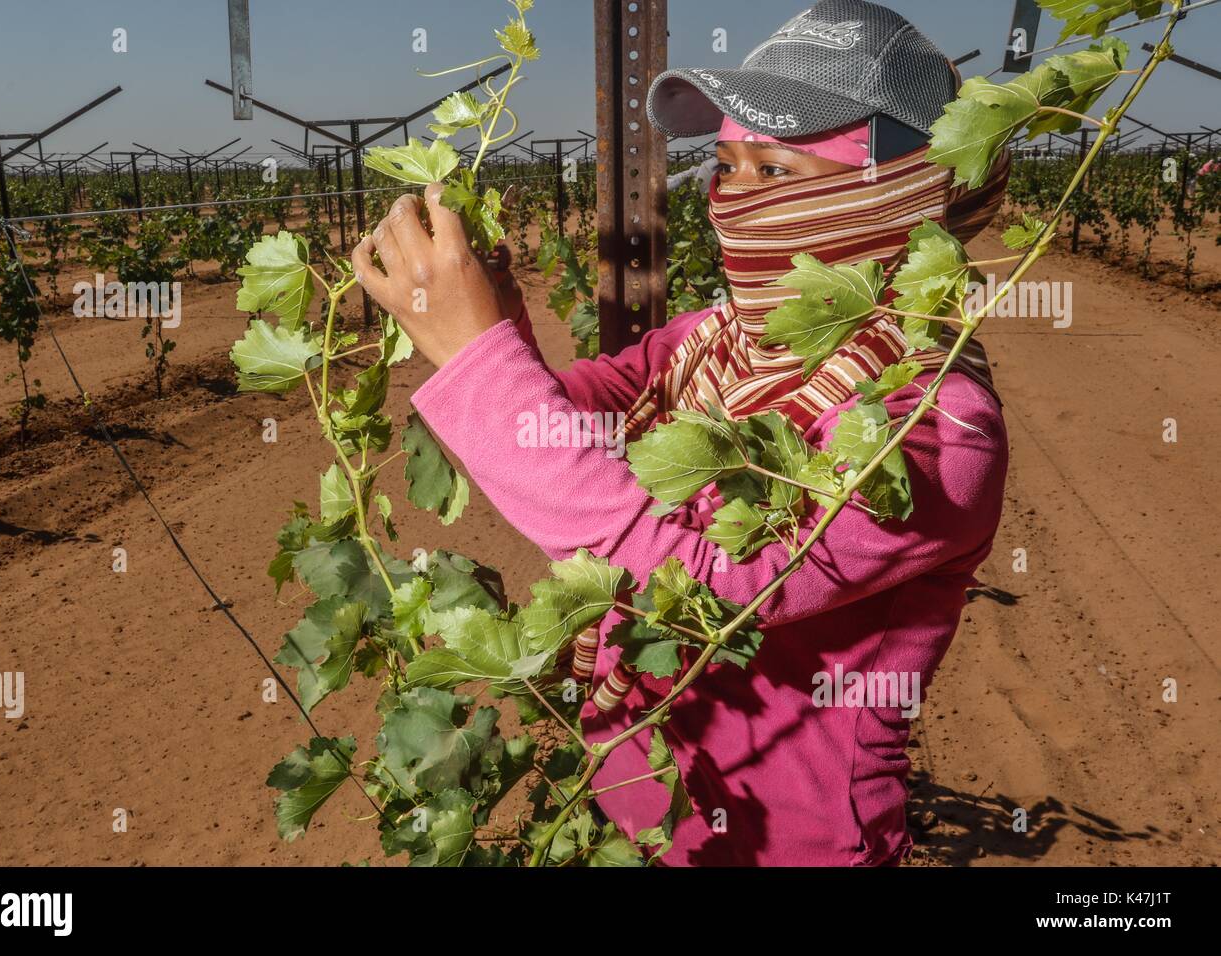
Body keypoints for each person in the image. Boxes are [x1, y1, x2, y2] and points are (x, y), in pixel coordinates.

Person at [352, 0, 1012, 866]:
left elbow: (704, 592)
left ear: (892, 190)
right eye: (725, 167)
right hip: (636, 808)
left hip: (790, 849)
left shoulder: (933, 428)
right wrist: (500, 325)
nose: (731, 199)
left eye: (772, 172)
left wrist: (478, 357)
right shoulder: (708, 342)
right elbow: (557, 432)